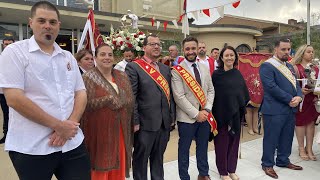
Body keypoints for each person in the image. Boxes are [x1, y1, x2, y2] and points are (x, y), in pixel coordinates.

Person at [0, 1, 91, 179]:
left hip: (71, 143)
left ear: (59, 25)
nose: (47, 26)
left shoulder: (68, 57)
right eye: (41, 21)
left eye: (52, 22)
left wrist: (69, 126)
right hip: (32, 147)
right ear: (30, 23)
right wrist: (58, 126)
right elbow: (14, 98)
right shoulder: (15, 52)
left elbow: (81, 93)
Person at [125, 34, 175, 180]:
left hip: (163, 124)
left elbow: (169, 95)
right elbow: (131, 97)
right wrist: (134, 121)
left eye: (158, 44)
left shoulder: (165, 69)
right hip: (144, 124)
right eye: (152, 44)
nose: (156, 47)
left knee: (158, 159)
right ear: (144, 47)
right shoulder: (134, 67)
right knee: (140, 160)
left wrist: (171, 117)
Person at [81, 44, 134, 180]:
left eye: (110, 55)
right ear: (95, 58)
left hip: (119, 129)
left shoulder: (121, 75)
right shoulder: (88, 77)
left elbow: (130, 99)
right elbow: (85, 104)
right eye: (103, 54)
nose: (107, 57)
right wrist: (107, 99)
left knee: (118, 166)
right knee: (101, 168)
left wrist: (120, 99)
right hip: (99, 132)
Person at [171, 36, 215, 180]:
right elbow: (179, 97)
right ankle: (184, 177)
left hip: (205, 116)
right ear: (183, 50)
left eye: (193, 48)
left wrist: (207, 109)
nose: (190, 51)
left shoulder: (204, 66)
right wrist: (196, 114)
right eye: (187, 49)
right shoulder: (177, 70)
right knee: (184, 150)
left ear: (197, 49)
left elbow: (210, 90)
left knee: (202, 147)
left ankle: (203, 174)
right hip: (187, 118)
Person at [260, 39, 303, 179]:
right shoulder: (267, 66)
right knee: (271, 138)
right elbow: (271, 87)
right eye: (283, 49)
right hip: (274, 109)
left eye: (288, 49)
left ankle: (283, 160)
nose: (286, 52)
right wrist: (289, 99)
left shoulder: (289, 67)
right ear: (276, 50)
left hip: (290, 109)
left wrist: (299, 96)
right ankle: (267, 164)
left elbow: (296, 85)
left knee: (287, 137)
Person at [212, 46, 250, 180]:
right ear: (221, 58)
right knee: (222, 143)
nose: (229, 58)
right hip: (221, 115)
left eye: (232, 55)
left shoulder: (237, 73)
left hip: (236, 114)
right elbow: (213, 96)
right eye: (226, 55)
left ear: (235, 57)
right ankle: (223, 172)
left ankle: (231, 169)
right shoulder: (216, 75)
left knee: (234, 142)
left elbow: (243, 94)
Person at [292, 44, 319, 161]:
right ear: (302, 53)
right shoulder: (296, 68)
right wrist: (300, 91)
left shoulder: (316, 68)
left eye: (312, 52)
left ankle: (310, 148)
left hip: (313, 99)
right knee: (301, 124)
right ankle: (301, 148)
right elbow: (291, 85)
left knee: (311, 124)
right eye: (308, 52)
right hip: (301, 100)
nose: (311, 54)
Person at [0, 37, 14, 144]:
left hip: (15, 93)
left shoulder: (18, 59)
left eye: (10, 44)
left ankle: (14, 135)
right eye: (6, 44)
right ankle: (6, 134)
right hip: (2, 92)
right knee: (6, 114)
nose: (7, 46)